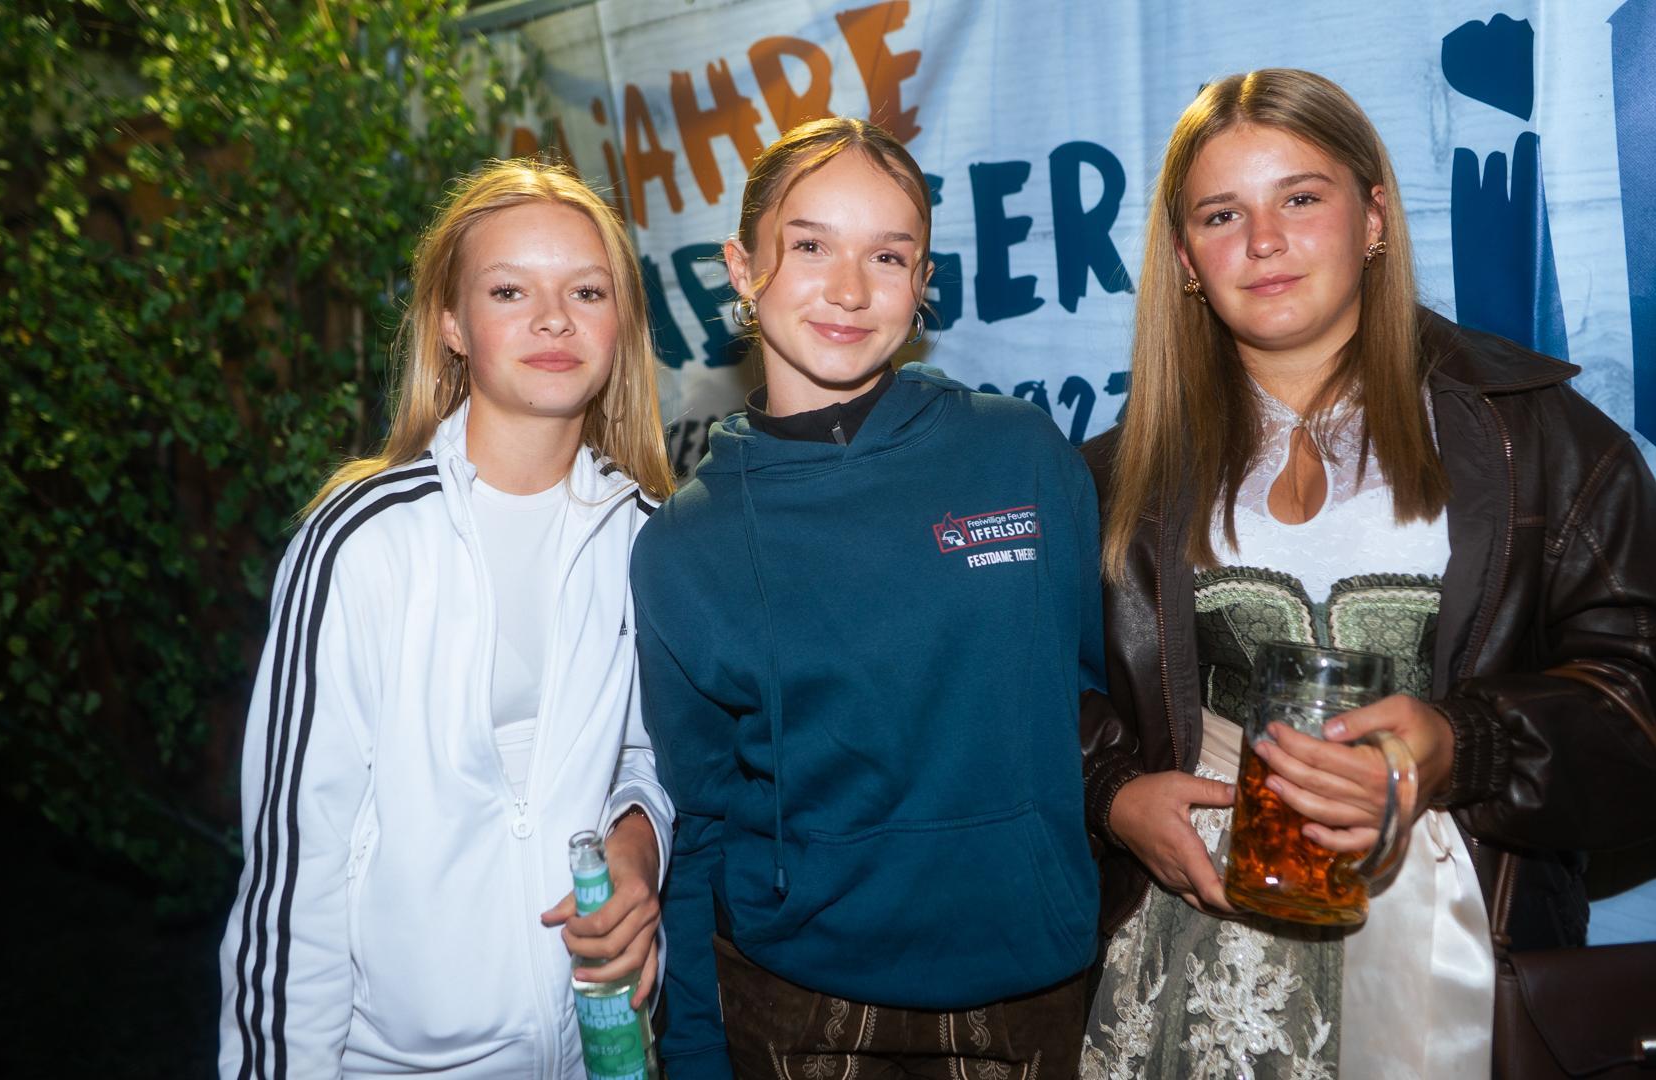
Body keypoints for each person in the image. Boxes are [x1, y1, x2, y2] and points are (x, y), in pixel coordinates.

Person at [1078, 69, 1656, 1080]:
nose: (1264, 241)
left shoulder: (1536, 434)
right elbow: (1011, 692)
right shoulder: (1113, 476)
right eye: (1222, 214)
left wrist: (1461, 742)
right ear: (1183, 259)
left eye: (1302, 197)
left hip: (1455, 936)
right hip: (1190, 946)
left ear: (1374, 216)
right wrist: (1115, 794)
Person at [630, 117, 1104, 1080]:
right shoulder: (686, 540)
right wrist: (692, 1052)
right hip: (797, 1011)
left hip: (1034, 995)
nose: (849, 290)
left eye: (889, 256)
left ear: (924, 282)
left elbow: (1096, 714)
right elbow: (698, 828)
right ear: (741, 265)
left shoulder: (1025, 457)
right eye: (809, 245)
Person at [217, 159, 676, 1078]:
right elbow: (296, 873)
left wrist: (638, 847)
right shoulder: (361, 542)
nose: (554, 318)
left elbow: (643, 759)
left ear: (620, 324)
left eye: (586, 290)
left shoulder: (651, 538)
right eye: (511, 290)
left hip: (597, 1056)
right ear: (452, 325)